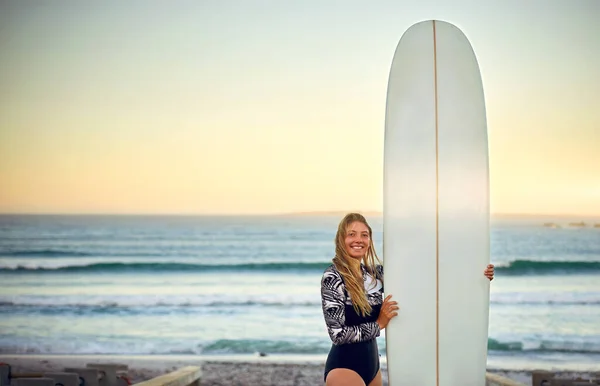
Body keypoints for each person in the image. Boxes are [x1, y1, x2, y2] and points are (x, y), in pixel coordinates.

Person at [320, 212, 495, 386]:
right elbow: (337, 334)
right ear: (341, 240)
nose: (359, 240)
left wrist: (477, 274)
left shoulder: (374, 274)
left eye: (364, 235)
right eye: (352, 234)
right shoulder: (333, 277)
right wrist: (379, 323)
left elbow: (425, 276)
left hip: (372, 366)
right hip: (344, 368)